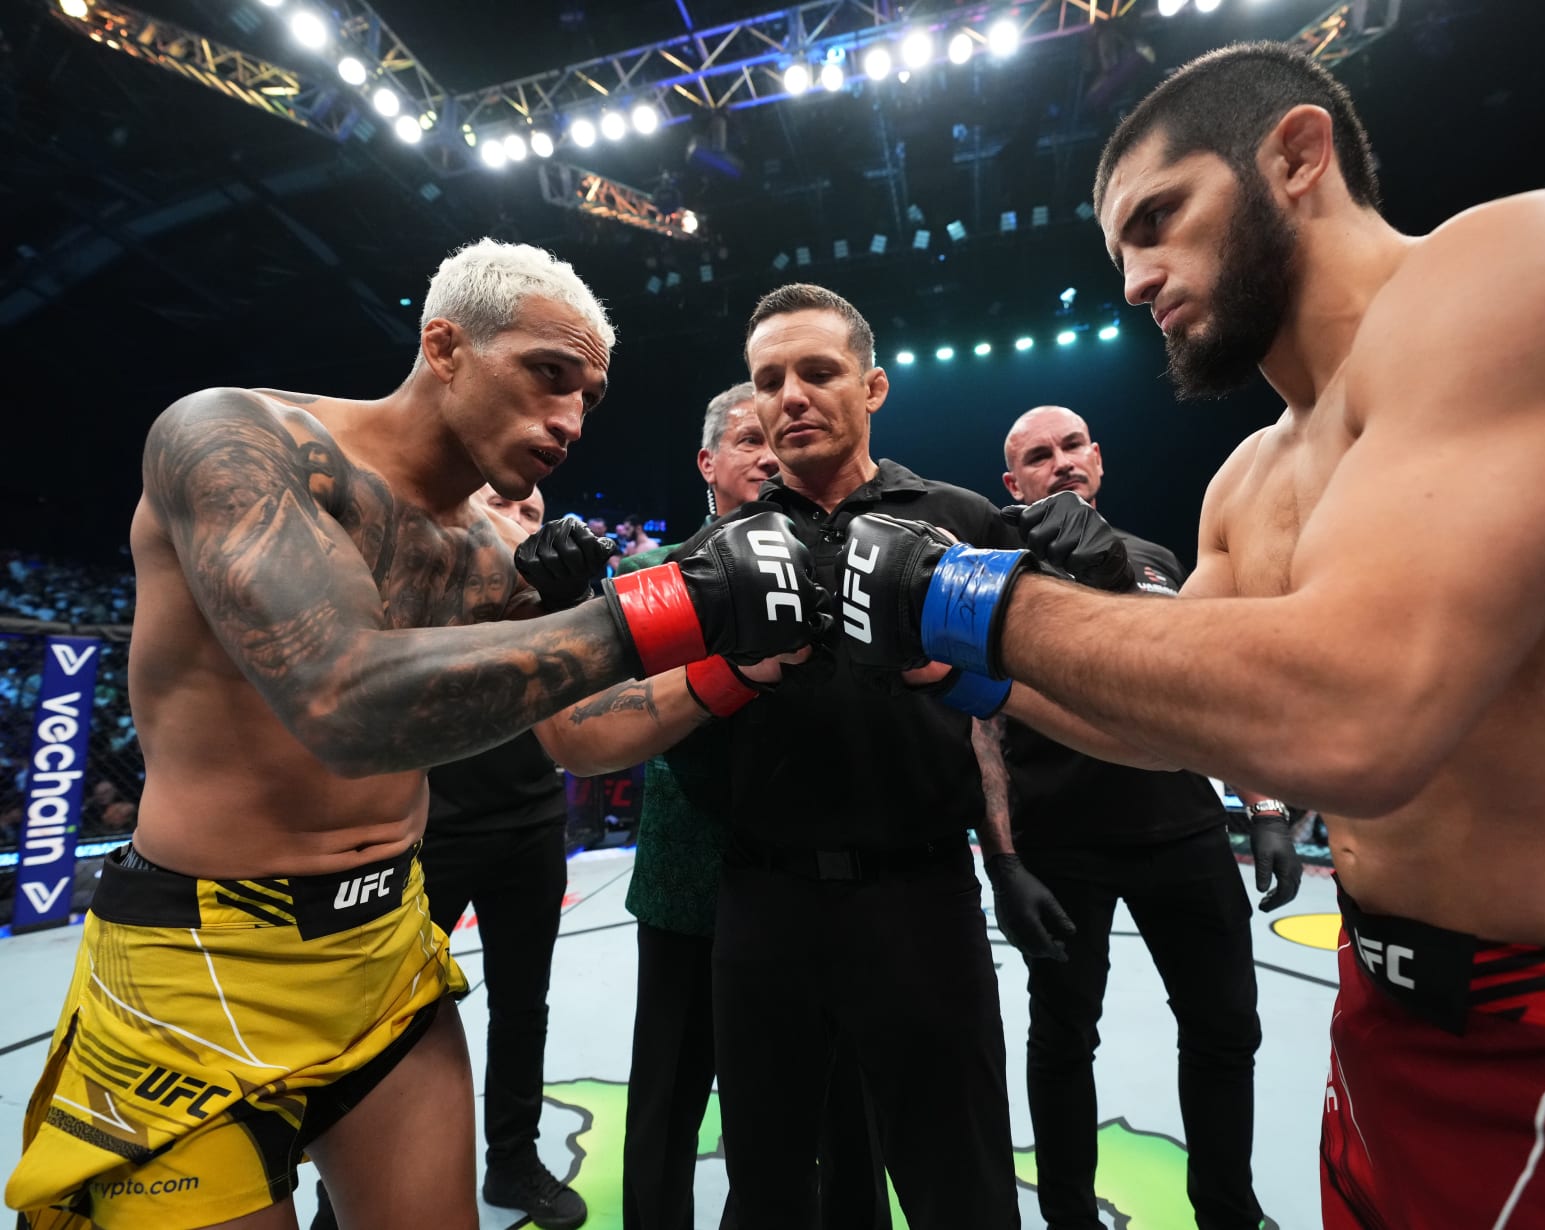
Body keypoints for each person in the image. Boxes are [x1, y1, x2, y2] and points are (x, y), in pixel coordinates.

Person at [839, 41, 1545, 1229]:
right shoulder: (1250, 476)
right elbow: (1176, 726)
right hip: (1386, 1016)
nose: (1137, 280)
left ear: (1296, 154)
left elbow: (1354, 716)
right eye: (1121, 252)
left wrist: (959, 594)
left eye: (1160, 217)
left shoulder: (1543, 262)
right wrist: (954, 665)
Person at [5, 238, 826, 1230]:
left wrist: (733, 660)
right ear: (446, 347)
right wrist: (662, 606)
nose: (568, 419)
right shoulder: (232, 439)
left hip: (388, 948)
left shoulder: (494, 550)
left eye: (589, 399)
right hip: (197, 957)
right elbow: (343, 704)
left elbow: (580, 737)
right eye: (548, 376)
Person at [522, 286, 1023, 1228]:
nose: (788, 396)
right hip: (759, 906)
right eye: (769, 380)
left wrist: (946, 682)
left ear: (872, 387)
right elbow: (588, 733)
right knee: (770, 1187)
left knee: (961, 1183)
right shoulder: (715, 554)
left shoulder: (959, 523)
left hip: (920, 899)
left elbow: (1029, 704)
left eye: (817, 372)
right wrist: (731, 672)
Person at [971, 404, 1291, 1230]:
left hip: (1180, 829)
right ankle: (1069, 1217)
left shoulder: (1151, 559)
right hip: (1060, 844)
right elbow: (982, 724)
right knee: (1064, 1037)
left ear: (1099, 459)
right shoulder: (992, 573)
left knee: (1226, 1030)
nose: (1062, 462)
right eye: (1039, 456)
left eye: (1073, 445)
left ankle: (1227, 1210)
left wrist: (1264, 805)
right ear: (1015, 483)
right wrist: (1003, 861)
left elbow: (1208, 686)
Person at [578, 381, 885, 1229]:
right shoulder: (652, 573)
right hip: (691, 879)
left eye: (775, 442)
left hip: (821, 881)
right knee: (671, 1092)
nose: (767, 454)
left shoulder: (839, 564)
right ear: (708, 463)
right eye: (747, 440)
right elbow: (595, 724)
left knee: (829, 1099)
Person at [309, 483, 587, 1230]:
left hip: (529, 820)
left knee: (524, 1005)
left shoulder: (548, 601)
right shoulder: (421, 576)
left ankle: (514, 1164)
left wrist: (574, 599)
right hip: (426, 829)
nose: (520, 524)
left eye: (533, 514)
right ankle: (340, 1195)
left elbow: (588, 711)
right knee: (384, 1020)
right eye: (504, 505)